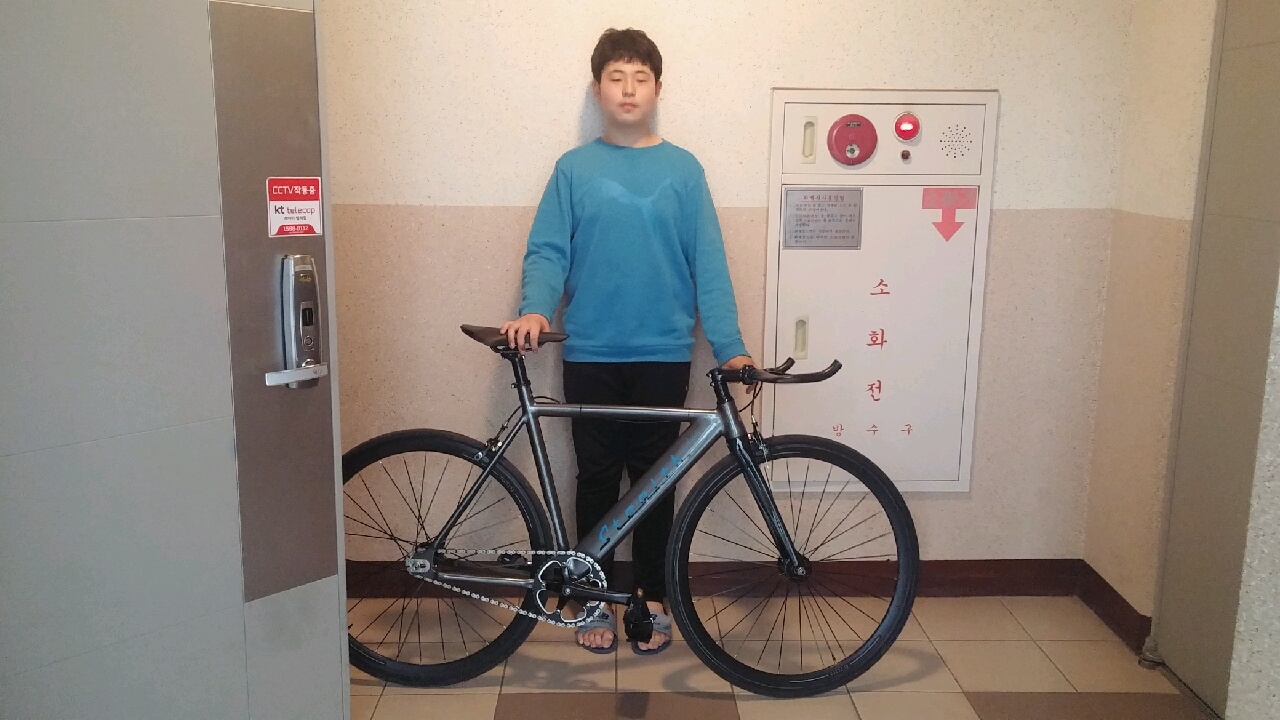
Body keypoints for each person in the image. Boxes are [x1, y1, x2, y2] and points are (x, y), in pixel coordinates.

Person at [501, 27, 753, 655]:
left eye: (641, 77)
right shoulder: (573, 169)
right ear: (598, 89)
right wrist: (534, 310)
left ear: (658, 88)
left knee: (655, 483)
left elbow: (709, 266)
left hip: (664, 354)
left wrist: (730, 347)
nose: (629, 88)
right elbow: (548, 252)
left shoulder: (684, 170)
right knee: (595, 478)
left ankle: (650, 598)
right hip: (589, 352)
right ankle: (592, 597)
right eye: (617, 77)